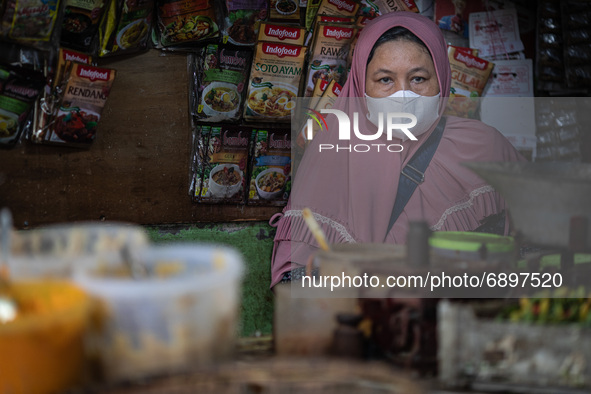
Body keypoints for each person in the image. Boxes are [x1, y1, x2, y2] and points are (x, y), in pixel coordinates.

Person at [269, 11, 525, 287]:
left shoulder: (484, 146)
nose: (403, 96)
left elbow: (536, 248)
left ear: (441, 79)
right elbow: (293, 282)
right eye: (385, 80)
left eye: (418, 79)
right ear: (360, 84)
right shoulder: (331, 153)